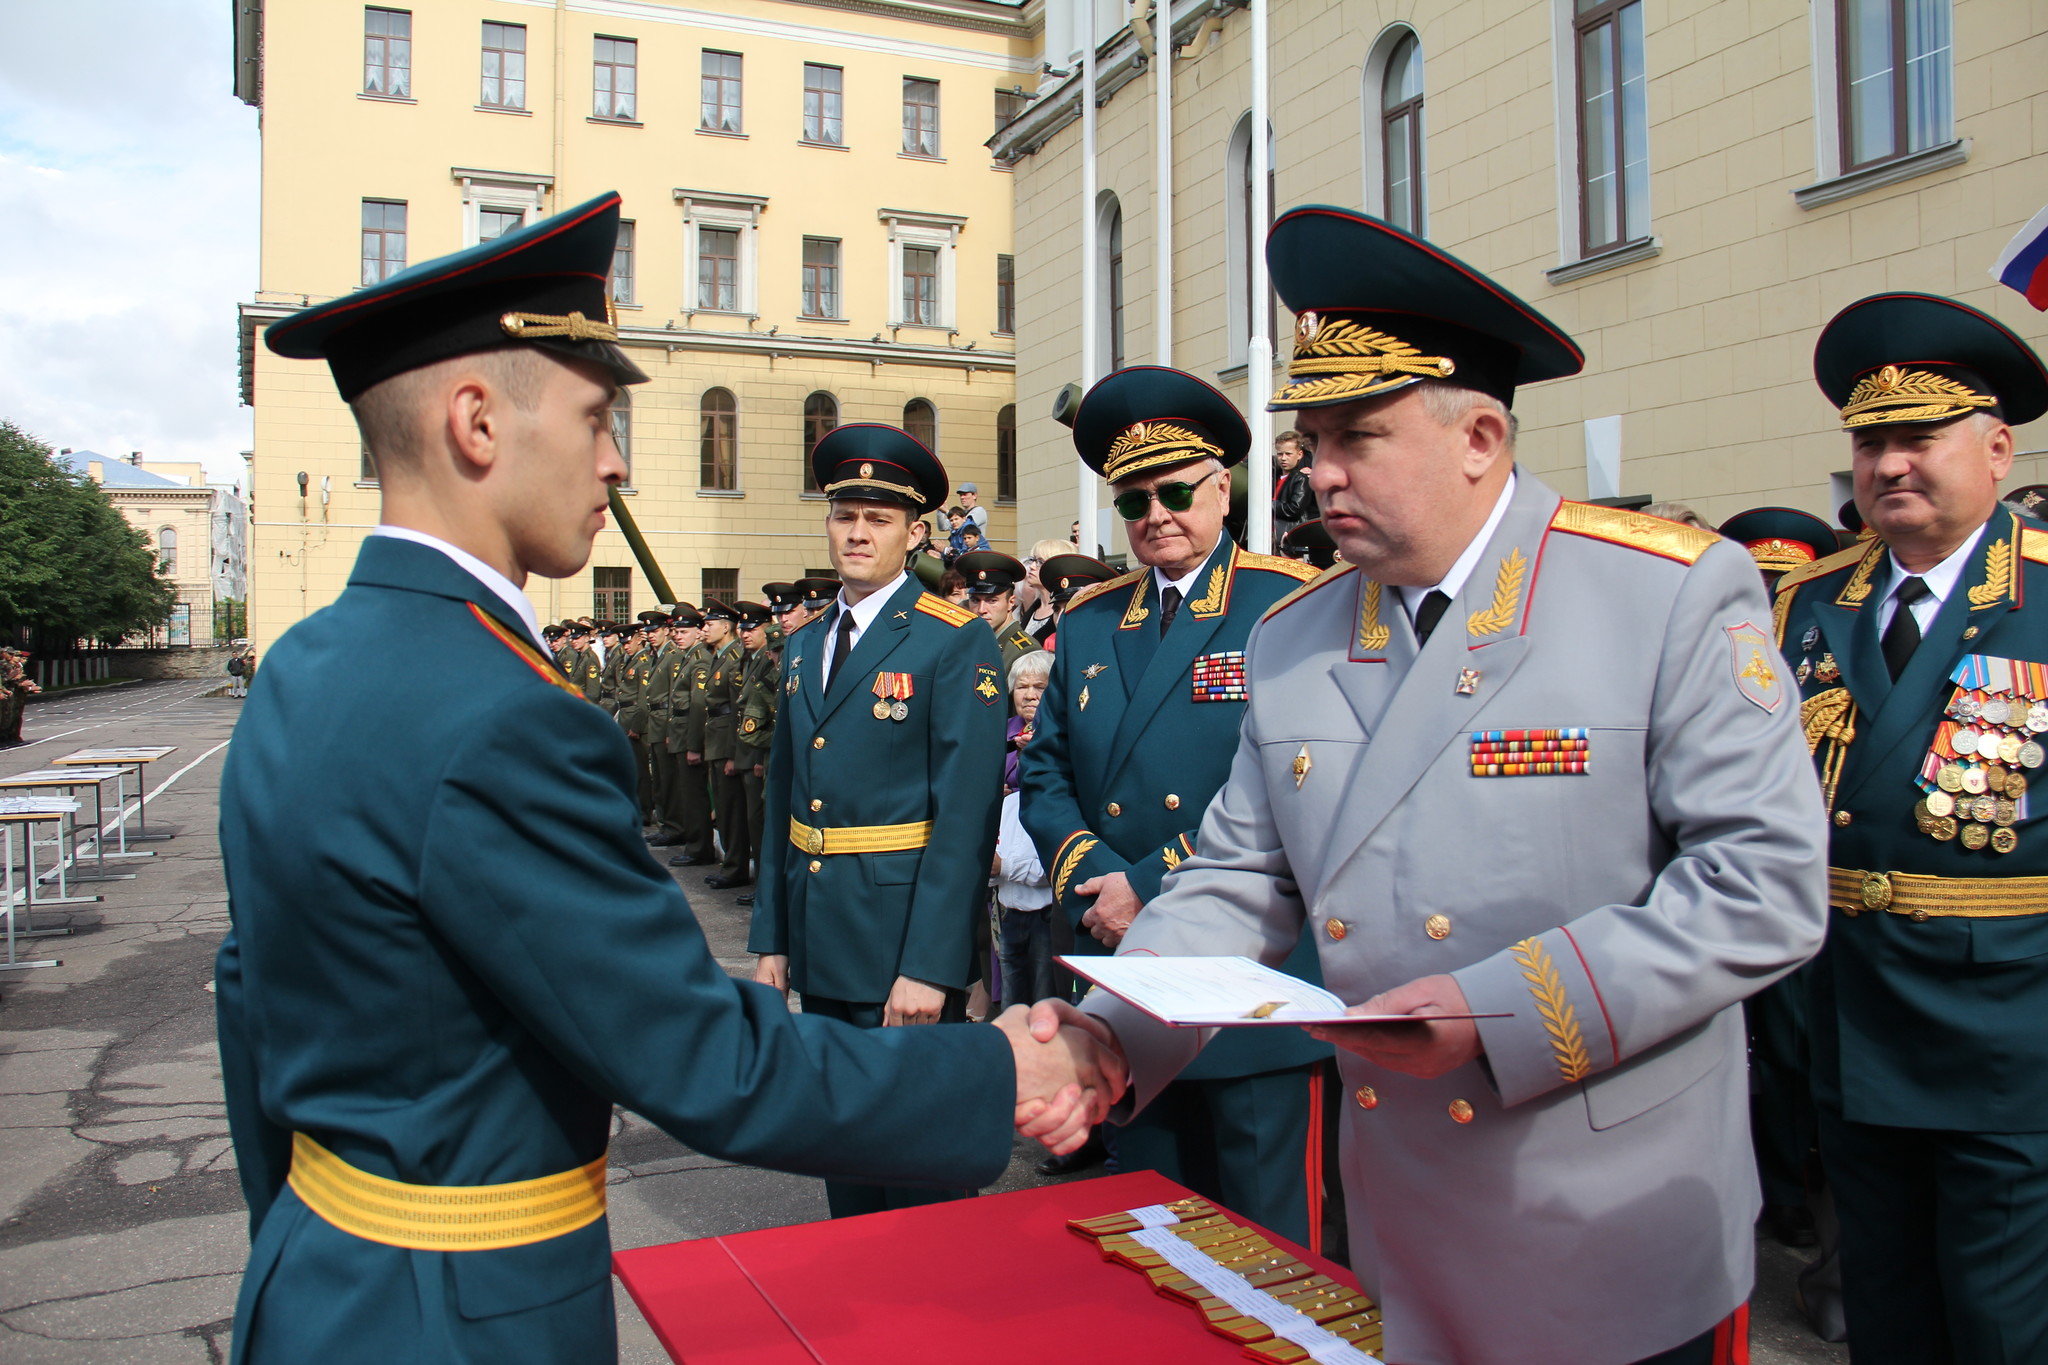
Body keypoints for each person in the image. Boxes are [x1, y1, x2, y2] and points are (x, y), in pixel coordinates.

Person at [222, 192, 1121, 1364]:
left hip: (322, 1270)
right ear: (476, 421)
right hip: (459, 1314)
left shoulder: (308, 662)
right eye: (598, 419)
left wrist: (294, 1250)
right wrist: (1002, 1063)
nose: (613, 462)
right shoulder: (500, 714)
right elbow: (698, 1058)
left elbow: (253, 1004)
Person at [1076, 206, 1829, 1364]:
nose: (1314, 474)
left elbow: (1762, 885)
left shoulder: (1663, 594)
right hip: (1405, 1205)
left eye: (1355, 438)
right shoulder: (1296, 637)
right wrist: (1110, 1035)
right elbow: (1237, 874)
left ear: (1478, 435)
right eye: (1308, 440)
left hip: (1597, 1203)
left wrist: (1505, 1010)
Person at [1776, 291, 2048, 1364]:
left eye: (1916, 439)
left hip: (2011, 1024)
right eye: (1868, 440)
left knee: (1997, 1322)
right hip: (1844, 1012)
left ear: (1993, 447)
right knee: (1882, 1312)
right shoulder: (1807, 604)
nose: (1888, 464)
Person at [1018, 365, 1332, 1233]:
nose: (1155, 514)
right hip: (1126, 979)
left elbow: (1291, 782)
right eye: (1133, 500)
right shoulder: (1087, 618)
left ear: (1222, 488)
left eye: (1175, 491)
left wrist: (1146, 888)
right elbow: (1045, 774)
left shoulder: (1287, 606)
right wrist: (1097, 877)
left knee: (1275, 1255)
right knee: (1153, 1240)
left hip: (1251, 992)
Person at [748, 422, 1010, 1219]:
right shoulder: (804, 646)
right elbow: (782, 805)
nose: (858, 531)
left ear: (915, 533)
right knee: (850, 1166)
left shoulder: (951, 641)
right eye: (845, 514)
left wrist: (931, 967)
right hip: (824, 941)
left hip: (902, 950)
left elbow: (965, 820)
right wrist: (772, 944)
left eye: (880, 518)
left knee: (923, 1177)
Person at [1715, 507, 1840, 1254]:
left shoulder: (1817, 617)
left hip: (1828, 888)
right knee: (1773, 1048)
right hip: (1752, 875)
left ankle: (1800, 1187)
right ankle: (1785, 1187)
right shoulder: (1774, 628)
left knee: (1798, 1053)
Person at [997, 650, 1056, 1008]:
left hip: (1040, 866)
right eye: (1022, 687)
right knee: (1009, 977)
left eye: (1040, 686)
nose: (1030, 694)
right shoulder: (1003, 731)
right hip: (1004, 876)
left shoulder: (1056, 733)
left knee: (1044, 984)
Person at [697, 601, 750, 890]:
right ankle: (730, 863)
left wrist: (732, 752)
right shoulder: (721, 656)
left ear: (726, 627)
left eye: (709, 624)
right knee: (725, 806)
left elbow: (736, 708)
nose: (704, 630)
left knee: (731, 810)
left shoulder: (734, 658)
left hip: (726, 743)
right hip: (715, 739)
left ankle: (735, 867)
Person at [734, 600, 780, 908]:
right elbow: (749, 722)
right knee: (760, 821)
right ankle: (768, 886)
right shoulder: (761, 666)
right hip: (766, 757)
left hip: (775, 761)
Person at [955, 549, 1038, 679]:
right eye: (975, 600)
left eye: (992, 601)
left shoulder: (1023, 651)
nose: (981, 609)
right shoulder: (970, 642)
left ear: (1011, 602)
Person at [1033, 553, 1117, 651]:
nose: (1059, 619)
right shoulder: (1051, 643)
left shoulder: (1112, 646)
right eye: (1056, 610)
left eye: (1070, 609)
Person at [1271, 429, 1319, 542]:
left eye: (1288, 454)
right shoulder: (1273, 477)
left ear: (1299, 455)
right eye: (1279, 454)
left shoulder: (1301, 478)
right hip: (1273, 536)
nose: (1283, 458)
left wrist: (1267, 505)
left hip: (1289, 538)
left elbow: (1294, 509)